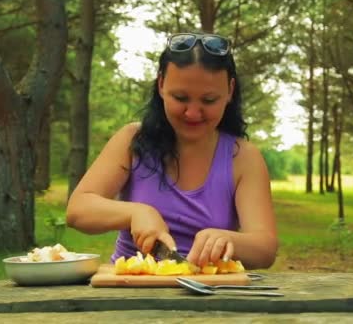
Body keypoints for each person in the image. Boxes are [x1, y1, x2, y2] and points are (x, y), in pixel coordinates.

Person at [66, 32, 278, 269]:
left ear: (229, 91)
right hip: (130, 289)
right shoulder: (132, 140)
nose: (193, 113)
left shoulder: (243, 157)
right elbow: (77, 210)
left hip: (207, 294)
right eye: (180, 98)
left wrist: (229, 240)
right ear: (161, 84)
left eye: (208, 100)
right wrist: (135, 213)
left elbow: (265, 248)